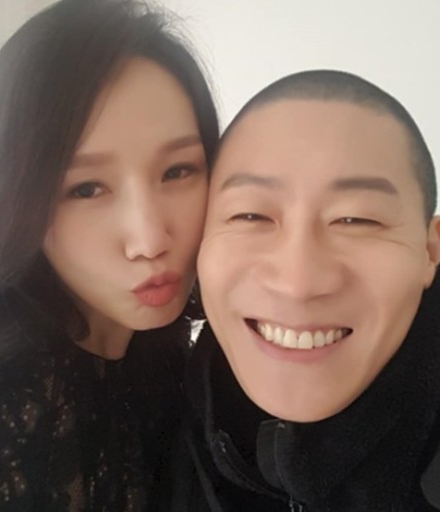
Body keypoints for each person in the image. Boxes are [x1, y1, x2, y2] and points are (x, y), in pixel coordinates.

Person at [0, 0, 219, 510]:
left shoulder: (180, 373)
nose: (150, 240)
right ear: (12, 198)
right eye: (86, 188)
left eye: (178, 171)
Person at [169, 70, 440, 511]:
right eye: (251, 216)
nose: (297, 284)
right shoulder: (152, 418)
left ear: (430, 250)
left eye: (356, 220)